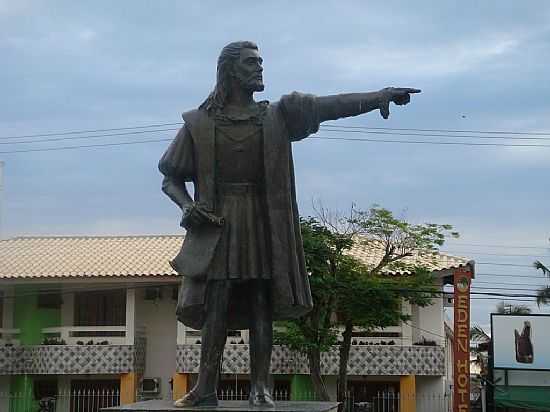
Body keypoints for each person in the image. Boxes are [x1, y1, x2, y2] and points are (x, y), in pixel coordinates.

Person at [159, 41, 420, 407]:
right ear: (231, 71)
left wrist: (378, 96)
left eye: (261, 62)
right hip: (217, 225)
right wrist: (187, 206)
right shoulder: (200, 122)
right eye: (252, 63)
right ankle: (205, 387)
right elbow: (170, 177)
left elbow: (326, 106)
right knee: (214, 304)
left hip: (263, 222)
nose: (260, 68)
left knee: (262, 301)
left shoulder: (277, 116)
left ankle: (261, 386)